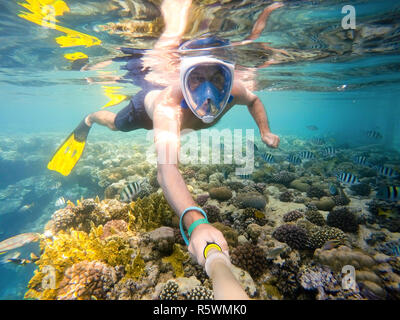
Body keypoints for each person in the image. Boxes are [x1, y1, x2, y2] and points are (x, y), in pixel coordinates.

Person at [48, 0, 282, 267]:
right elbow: (166, 169)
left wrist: (265, 131)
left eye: (217, 78)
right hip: (144, 112)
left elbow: (254, 100)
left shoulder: (235, 91)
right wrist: (197, 223)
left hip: (176, 124)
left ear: (227, 78)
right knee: (115, 124)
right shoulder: (168, 106)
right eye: (196, 78)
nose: (208, 93)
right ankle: (89, 118)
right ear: (183, 78)